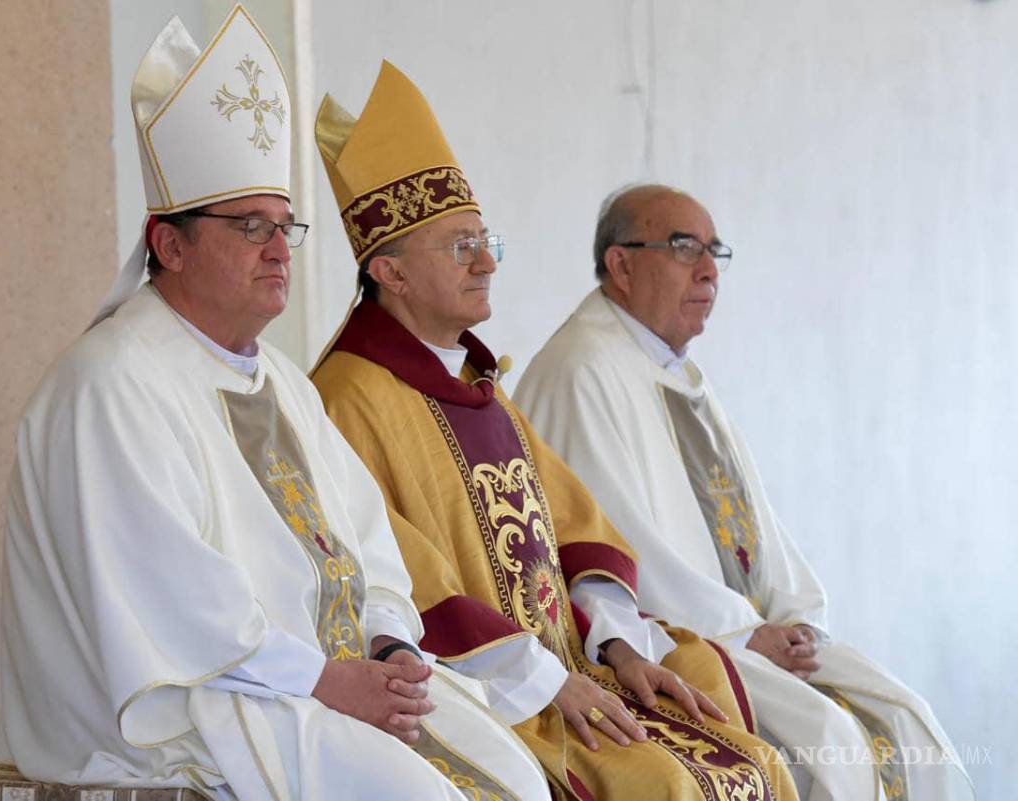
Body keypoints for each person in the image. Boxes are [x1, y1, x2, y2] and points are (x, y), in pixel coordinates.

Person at [1, 9, 550, 801]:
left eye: (283, 225)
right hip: (191, 709)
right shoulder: (112, 383)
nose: (276, 248)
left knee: (517, 778)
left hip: (307, 688)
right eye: (249, 225)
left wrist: (392, 646)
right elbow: (173, 605)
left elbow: (366, 543)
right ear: (170, 244)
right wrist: (326, 680)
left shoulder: (285, 382)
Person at [310, 62, 797, 801]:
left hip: (574, 667)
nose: (486, 263)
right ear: (393, 273)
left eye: (486, 241)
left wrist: (618, 644)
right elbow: (401, 584)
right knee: (664, 782)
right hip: (492, 692)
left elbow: (578, 529)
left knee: (754, 757)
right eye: (460, 246)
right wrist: (544, 682)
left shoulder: (481, 389)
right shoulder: (347, 397)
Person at [514, 184, 975, 801]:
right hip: (661, 648)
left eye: (714, 252)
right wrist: (740, 633)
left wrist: (793, 614)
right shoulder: (581, 370)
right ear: (620, 264)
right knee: (830, 742)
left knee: (907, 723)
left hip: (739, 633)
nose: (708, 271)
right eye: (683, 248)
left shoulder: (673, 371)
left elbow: (749, 525)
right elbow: (612, 548)